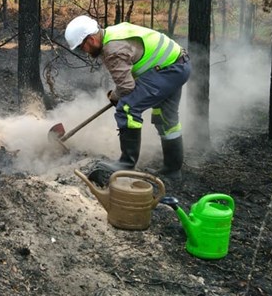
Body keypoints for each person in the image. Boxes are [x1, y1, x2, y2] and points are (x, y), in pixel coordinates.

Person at [64, 15, 191, 184]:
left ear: (91, 39)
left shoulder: (112, 50)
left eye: (82, 47)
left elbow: (126, 88)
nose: (84, 51)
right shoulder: (113, 32)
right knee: (165, 117)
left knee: (127, 108)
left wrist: (115, 96)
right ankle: (172, 171)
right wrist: (118, 94)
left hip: (169, 70)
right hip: (178, 64)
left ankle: (126, 164)